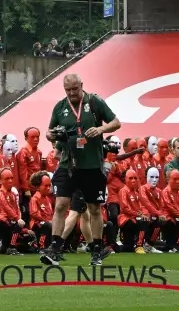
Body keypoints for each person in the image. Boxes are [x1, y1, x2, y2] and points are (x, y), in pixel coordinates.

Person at [39, 72, 120, 267]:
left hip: (91, 164)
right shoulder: (59, 107)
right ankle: (55, 249)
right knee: (60, 205)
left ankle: (97, 250)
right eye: (68, 90)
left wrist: (101, 130)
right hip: (68, 164)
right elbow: (50, 133)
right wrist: (51, 136)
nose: (72, 93)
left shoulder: (94, 102)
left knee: (93, 208)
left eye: (75, 89)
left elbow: (116, 122)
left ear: (81, 85)